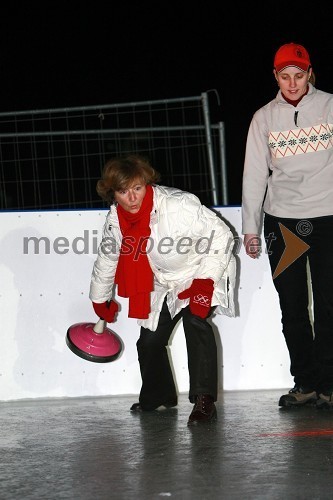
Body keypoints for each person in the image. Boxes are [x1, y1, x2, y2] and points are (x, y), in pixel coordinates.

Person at [89, 154, 236, 425]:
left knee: (196, 320)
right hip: (162, 282)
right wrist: (100, 299)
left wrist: (204, 283)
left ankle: (204, 402)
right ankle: (160, 396)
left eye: (137, 188)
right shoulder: (116, 221)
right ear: (113, 194)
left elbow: (222, 236)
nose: (132, 198)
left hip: (201, 270)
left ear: (147, 184)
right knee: (149, 342)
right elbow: (108, 258)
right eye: (123, 191)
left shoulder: (179, 204)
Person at [241, 42, 333, 409]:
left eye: (298, 75)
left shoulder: (329, 107)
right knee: (293, 308)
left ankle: (329, 384)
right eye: (284, 76)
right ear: (276, 77)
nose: (292, 83)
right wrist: (251, 226)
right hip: (283, 224)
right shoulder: (264, 117)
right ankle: (305, 383)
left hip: (328, 217)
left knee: (330, 306)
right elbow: (253, 175)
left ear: (309, 73)